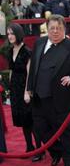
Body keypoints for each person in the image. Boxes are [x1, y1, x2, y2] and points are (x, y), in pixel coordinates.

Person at [27, 15, 70, 166]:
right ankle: (56, 152)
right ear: (47, 29)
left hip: (62, 98)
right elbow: (33, 68)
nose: (55, 31)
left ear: (65, 29)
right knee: (41, 129)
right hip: (39, 97)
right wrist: (29, 88)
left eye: (59, 28)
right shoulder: (39, 43)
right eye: (52, 28)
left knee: (66, 131)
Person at [6, 23, 40, 154]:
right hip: (15, 90)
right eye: (8, 33)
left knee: (30, 120)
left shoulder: (27, 51)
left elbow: (29, 73)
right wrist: (10, 89)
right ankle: (29, 146)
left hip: (25, 88)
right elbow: (11, 70)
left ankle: (38, 149)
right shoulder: (10, 51)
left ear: (18, 33)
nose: (10, 36)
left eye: (12, 33)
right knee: (22, 120)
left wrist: (27, 92)